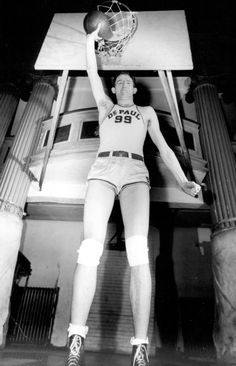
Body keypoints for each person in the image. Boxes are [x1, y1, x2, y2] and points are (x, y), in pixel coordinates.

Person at [66, 25, 201, 366]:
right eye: (120, 80)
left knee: (138, 251)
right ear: (115, 87)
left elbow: (164, 148)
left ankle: (139, 346)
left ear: (136, 88)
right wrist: (90, 39)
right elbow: (92, 69)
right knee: (90, 248)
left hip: (135, 173)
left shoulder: (147, 113)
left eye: (130, 81)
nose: (126, 83)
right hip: (103, 171)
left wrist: (183, 180)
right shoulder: (105, 105)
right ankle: (75, 339)